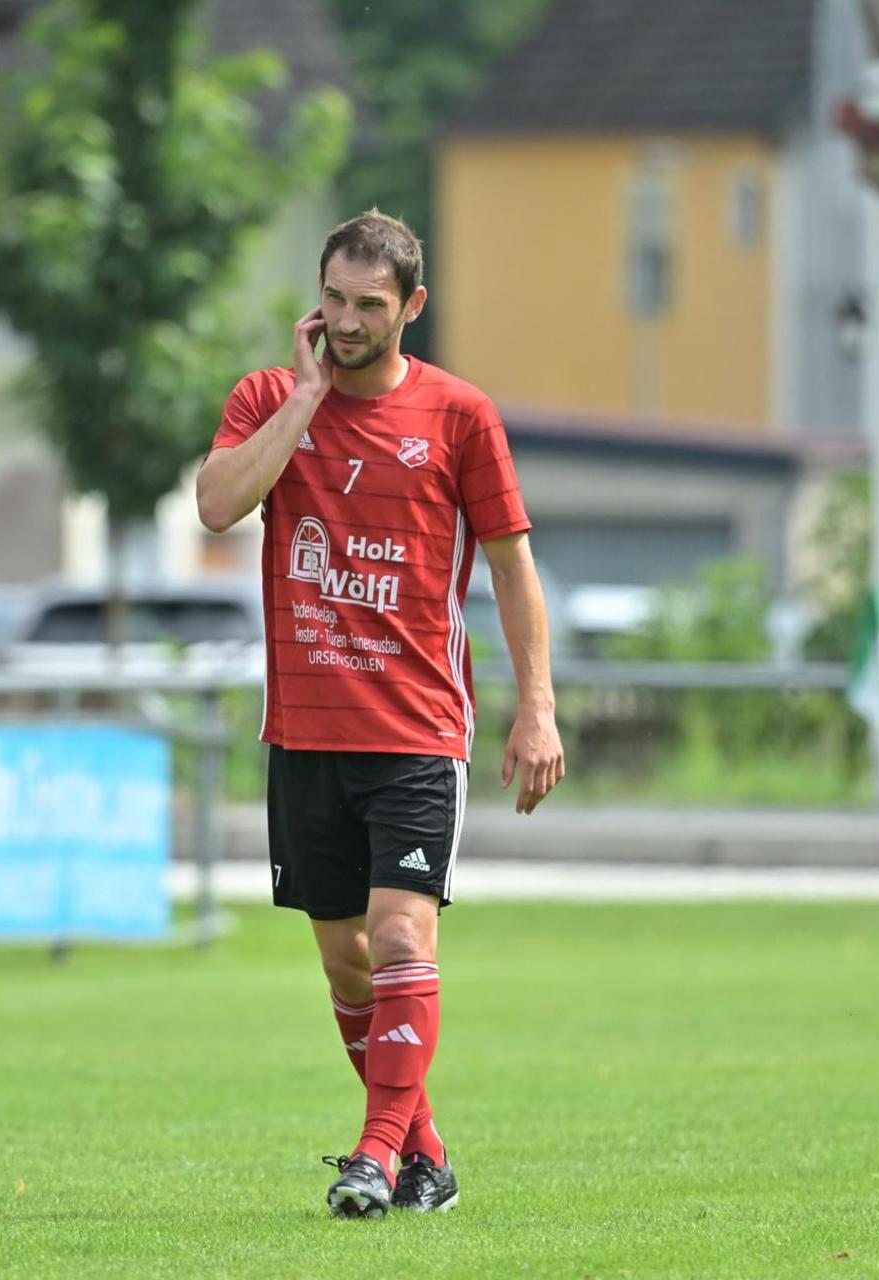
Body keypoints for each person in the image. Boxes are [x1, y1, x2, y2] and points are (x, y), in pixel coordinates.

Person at [196, 209, 565, 1218]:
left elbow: (511, 566)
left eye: (370, 305)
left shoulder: (459, 416)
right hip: (304, 735)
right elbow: (218, 504)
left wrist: (536, 707)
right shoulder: (269, 398)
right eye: (334, 301)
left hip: (415, 733)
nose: (349, 321)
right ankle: (426, 1154)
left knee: (403, 936)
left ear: (412, 306)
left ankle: (371, 1153)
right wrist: (307, 401)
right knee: (345, 958)